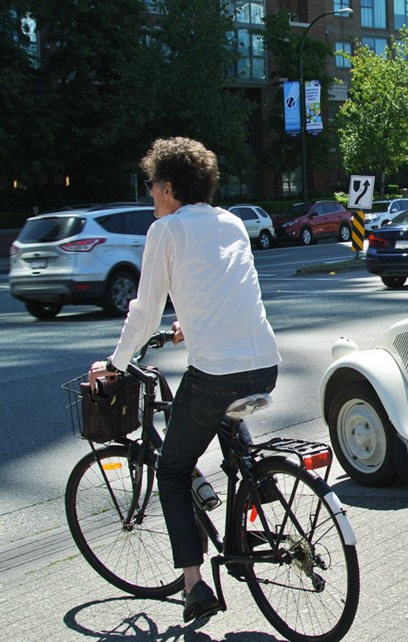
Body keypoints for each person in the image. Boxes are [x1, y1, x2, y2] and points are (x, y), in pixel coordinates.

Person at [87, 137, 280, 623]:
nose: (150, 192)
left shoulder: (167, 231)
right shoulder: (232, 221)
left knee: (172, 471)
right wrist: (187, 326)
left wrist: (116, 362)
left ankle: (194, 586)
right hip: (264, 362)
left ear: (169, 187)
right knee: (221, 416)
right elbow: (227, 289)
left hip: (216, 371)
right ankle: (255, 500)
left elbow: (144, 308)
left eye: (152, 184)